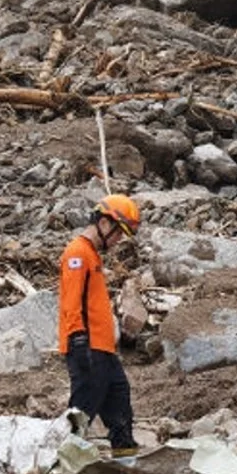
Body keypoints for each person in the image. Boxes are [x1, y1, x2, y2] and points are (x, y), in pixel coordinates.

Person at [58, 194, 141, 455]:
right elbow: (71, 302)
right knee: (81, 412)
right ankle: (60, 463)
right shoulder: (78, 253)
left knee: (120, 405)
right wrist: (78, 340)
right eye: (119, 234)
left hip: (103, 349)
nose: (118, 241)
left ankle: (125, 460)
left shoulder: (92, 255)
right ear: (105, 223)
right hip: (87, 346)